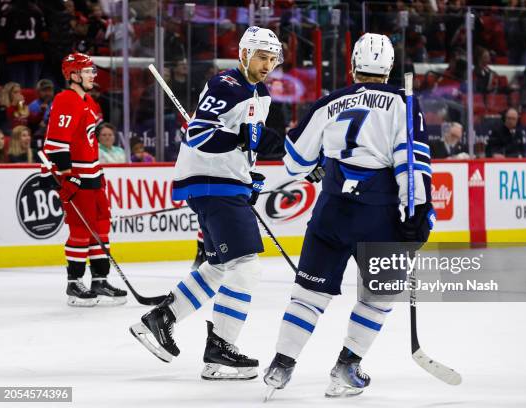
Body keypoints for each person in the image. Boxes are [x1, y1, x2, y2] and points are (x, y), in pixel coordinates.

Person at [263, 33, 435, 398]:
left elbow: (294, 162)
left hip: (331, 211)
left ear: (353, 64)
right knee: (379, 295)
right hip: (378, 213)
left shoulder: (331, 102)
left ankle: (281, 364)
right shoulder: (404, 102)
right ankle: (346, 368)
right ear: (389, 67)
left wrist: (321, 162)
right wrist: (418, 213)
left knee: (308, 292)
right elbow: (411, 162)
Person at [130, 26, 283, 381]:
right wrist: (237, 138)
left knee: (217, 267)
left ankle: (160, 320)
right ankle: (220, 350)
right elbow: (197, 134)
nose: (267, 65)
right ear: (244, 54)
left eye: (273, 59)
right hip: (213, 184)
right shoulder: (224, 85)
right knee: (246, 266)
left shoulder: (261, 94)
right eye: (262, 56)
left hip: (225, 184)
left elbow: (247, 145)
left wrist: (250, 175)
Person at [42, 52, 127, 307]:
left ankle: (99, 279)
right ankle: (74, 283)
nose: (93, 75)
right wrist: (65, 177)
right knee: (80, 230)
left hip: (93, 174)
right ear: (74, 75)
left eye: (92, 71)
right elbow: (56, 144)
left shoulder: (89, 101)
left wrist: (97, 173)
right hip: (76, 177)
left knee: (101, 227)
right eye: (88, 71)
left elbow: (87, 141)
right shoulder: (66, 100)